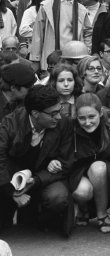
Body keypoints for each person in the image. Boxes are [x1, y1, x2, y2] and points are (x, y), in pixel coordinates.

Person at [0, 85, 74, 236]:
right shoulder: (11, 123)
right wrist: (13, 191)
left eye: (59, 110)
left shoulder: (64, 123)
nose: (59, 117)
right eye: (53, 114)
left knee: (57, 197)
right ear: (35, 113)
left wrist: (36, 180)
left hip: (46, 176)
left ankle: (43, 219)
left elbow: (66, 162)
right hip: (12, 178)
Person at [69, 93, 110, 233]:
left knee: (97, 167)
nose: (87, 122)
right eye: (82, 118)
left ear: (100, 113)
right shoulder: (70, 128)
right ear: (76, 116)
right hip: (79, 170)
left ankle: (102, 215)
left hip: (106, 172)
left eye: (91, 117)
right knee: (82, 192)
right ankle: (83, 209)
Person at [30, 0, 93, 71]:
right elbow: (38, 33)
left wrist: (86, 52)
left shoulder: (81, 8)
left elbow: (88, 32)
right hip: (51, 54)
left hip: (75, 57)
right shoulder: (47, 6)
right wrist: (36, 58)